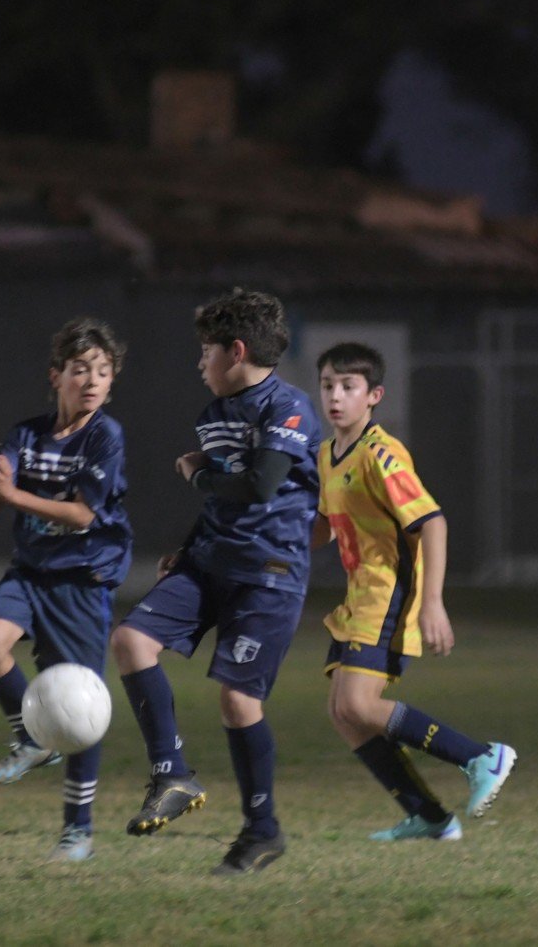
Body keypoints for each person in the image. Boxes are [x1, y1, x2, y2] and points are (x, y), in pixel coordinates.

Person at [110, 288, 322, 875]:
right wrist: (187, 545)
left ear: (235, 351)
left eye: (205, 352)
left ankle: (262, 830)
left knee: (237, 700)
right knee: (131, 641)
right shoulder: (213, 416)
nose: (199, 364)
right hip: (209, 562)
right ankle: (171, 774)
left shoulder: (290, 407)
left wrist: (198, 475)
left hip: (269, 575)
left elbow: (259, 486)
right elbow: (226, 498)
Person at [0, 317, 132, 863]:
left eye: (102, 371)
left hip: (81, 579)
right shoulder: (27, 435)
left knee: (79, 704)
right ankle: (28, 739)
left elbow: (80, 514)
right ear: (56, 377)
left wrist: (16, 499)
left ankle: (78, 830)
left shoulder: (105, 436)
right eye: (80, 370)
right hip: (30, 573)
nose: (92, 380)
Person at [312, 342, 515, 842]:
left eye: (348, 386)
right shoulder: (327, 454)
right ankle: (429, 815)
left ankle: (480, 756)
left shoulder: (382, 454)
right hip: (360, 595)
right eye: (327, 386)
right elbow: (323, 526)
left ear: (374, 395)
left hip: (389, 594)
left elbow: (433, 523)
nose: (336, 396)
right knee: (344, 714)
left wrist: (433, 602)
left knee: (358, 706)